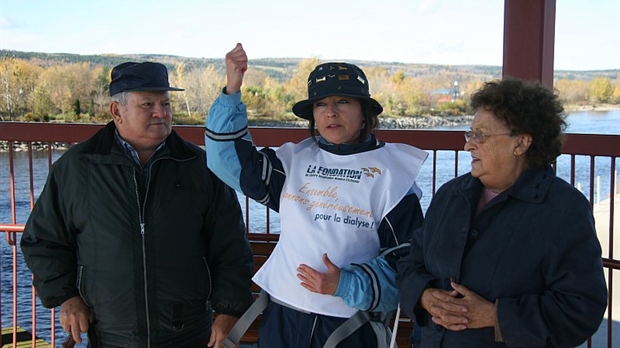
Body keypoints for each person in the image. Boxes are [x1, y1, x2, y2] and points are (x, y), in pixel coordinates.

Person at [204, 43, 428, 348]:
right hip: (281, 318)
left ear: (365, 112)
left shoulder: (395, 177)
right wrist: (232, 90)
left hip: (350, 330)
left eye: (343, 101)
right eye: (321, 104)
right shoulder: (292, 163)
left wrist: (345, 284)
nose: (331, 112)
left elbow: (407, 266)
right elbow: (226, 160)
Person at [20, 61, 254, 348]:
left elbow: (231, 245)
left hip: (190, 334)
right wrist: (67, 297)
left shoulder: (201, 167)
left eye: (165, 103)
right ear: (117, 111)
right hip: (108, 335)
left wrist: (229, 309)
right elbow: (42, 240)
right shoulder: (77, 168)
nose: (161, 112)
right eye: (147, 104)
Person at [396, 77, 608, 347]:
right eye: (470, 134)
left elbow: (580, 309)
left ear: (520, 144)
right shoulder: (450, 195)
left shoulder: (564, 210)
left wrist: (495, 316)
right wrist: (424, 296)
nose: (468, 144)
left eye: (481, 135)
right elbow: (409, 265)